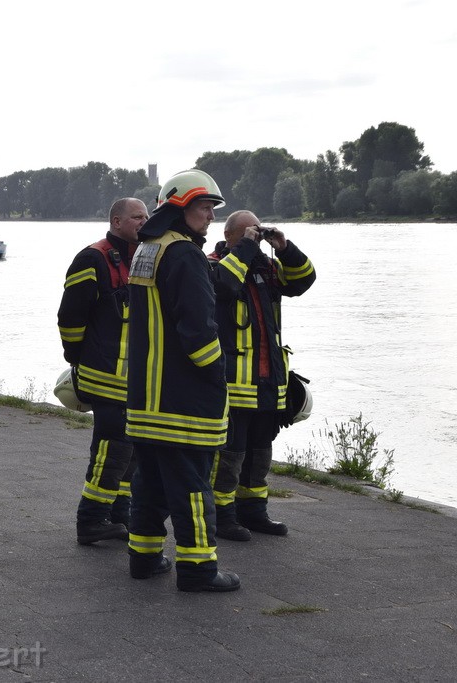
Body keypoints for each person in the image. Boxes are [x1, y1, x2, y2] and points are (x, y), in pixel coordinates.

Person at [124, 169, 239, 592]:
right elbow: (198, 332)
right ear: (178, 207)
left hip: (145, 399)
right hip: (182, 400)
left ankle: (145, 557)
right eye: (203, 207)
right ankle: (197, 570)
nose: (209, 216)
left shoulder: (147, 249)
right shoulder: (186, 255)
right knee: (192, 486)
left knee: (150, 484)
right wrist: (218, 377)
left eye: (212, 208)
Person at [208, 210, 316, 541]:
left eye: (257, 233)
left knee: (260, 451)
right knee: (230, 455)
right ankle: (221, 516)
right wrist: (245, 248)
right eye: (247, 234)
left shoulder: (265, 270)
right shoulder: (213, 264)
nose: (255, 240)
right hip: (234, 384)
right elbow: (223, 285)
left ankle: (254, 512)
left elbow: (302, 280)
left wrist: (284, 247)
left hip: (268, 381)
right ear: (229, 237)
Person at [57, 198, 149, 545]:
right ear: (117, 221)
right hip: (105, 377)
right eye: (137, 217)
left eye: (146, 216)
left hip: (135, 381)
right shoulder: (92, 258)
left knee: (131, 453)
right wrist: (79, 357)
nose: (144, 221)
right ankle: (91, 519)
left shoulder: (142, 257)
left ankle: (118, 514)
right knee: (111, 450)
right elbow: (70, 318)